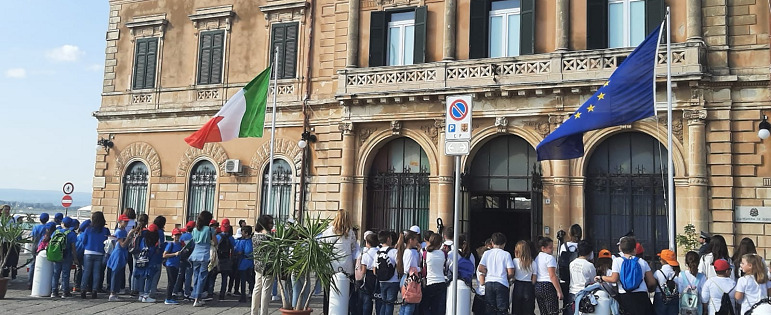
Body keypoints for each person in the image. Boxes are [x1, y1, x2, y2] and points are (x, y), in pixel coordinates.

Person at [595, 236, 656, 315]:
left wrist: (602, 278)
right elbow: (652, 282)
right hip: (641, 296)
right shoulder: (642, 262)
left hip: (625, 296)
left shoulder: (617, 261)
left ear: (621, 249)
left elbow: (614, 279)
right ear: (635, 249)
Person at [321, 209, 358, 314]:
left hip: (331, 267)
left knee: (328, 294)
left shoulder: (327, 231)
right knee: (347, 294)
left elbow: (323, 248)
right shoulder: (350, 233)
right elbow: (354, 248)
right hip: (347, 267)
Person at [478, 232, 515, 314]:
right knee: (502, 308)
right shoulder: (506, 254)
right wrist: (507, 277)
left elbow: (480, 268)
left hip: (489, 282)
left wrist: (488, 271)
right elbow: (511, 272)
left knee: (490, 308)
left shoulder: (487, 253)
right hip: (502, 283)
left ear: (492, 242)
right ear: (504, 244)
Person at [80, 212, 111, 299]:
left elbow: (84, 241)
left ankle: (83, 290)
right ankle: (94, 291)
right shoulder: (105, 230)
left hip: (88, 251)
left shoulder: (88, 229)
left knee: (86, 272)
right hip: (99, 252)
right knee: (96, 273)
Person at [106, 214, 133, 301]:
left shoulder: (123, 230)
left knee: (119, 273)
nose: (126, 223)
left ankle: (115, 292)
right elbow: (122, 244)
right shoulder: (120, 231)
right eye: (124, 221)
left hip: (121, 253)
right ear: (120, 222)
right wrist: (129, 236)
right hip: (119, 253)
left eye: (127, 221)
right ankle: (113, 293)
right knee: (116, 273)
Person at [252, 214, 275, 315]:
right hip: (268, 265)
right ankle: (263, 312)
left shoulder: (255, 235)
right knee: (266, 290)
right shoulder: (267, 237)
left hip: (258, 265)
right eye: (270, 223)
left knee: (257, 289)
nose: (272, 225)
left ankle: (254, 312)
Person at [534, 236, 563, 315]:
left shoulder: (537, 258)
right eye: (550, 247)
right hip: (548, 285)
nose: (552, 249)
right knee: (552, 311)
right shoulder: (550, 258)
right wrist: (559, 291)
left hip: (538, 285)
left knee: (543, 311)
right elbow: (552, 276)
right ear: (543, 248)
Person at [558, 224, 582, 315]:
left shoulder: (564, 246)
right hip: (579, 277)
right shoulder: (583, 245)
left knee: (566, 303)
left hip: (566, 277)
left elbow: (560, 260)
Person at [51, 217, 78, 298]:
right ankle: (65, 292)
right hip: (67, 256)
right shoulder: (71, 234)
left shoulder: (56, 232)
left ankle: (54, 291)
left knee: (55, 274)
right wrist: (75, 258)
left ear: (62, 223)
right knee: (65, 274)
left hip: (56, 255)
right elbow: (73, 247)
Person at [134, 224, 161, 303]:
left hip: (142, 259)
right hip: (151, 261)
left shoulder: (144, 239)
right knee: (149, 278)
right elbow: (157, 250)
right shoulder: (156, 241)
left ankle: (141, 294)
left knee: (141, 277)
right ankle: (146, 295)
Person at [396, 230, 421, 315]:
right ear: (411, 240)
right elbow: (408, 268)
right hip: (410, 279)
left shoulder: (406, 251)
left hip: (405, 278)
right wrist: (419, 269)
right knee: (410, 305)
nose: (417, 241)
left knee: (405, 304)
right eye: (416, 239)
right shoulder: (410, 252)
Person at [568, 240, 596, 314]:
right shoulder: (589, 265)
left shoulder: (572, 263)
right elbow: (593, 280)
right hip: (584, 294)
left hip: (572, 292)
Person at [376, 230, 399, 315]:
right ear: (389, 239)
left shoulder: (377, 252)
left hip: (382, 281)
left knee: (383, 303)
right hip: (393, 280)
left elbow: (375, 268)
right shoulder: (394, 252)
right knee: (390, 304)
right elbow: (399, 265)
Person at [510, 240, 536, 315]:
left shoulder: (515, 261)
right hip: (528, 286)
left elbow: (513, 274)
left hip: (518, 285)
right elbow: (534, 278)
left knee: (516, 309)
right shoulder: (533, 262)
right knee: (528, 310)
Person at [653, 249, 680, 315]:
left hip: (660, 298)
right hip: (674, 298)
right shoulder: (677, 273)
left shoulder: (657, 273)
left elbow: (652, 285)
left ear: (662, 260)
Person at [174, 220, 195, 300]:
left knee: (179, 275)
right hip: (190, 258)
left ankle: (175, 291)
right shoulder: (194, 237)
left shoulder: (182, 236)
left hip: (181, 257)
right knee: (188, 276)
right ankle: (187, 293)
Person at [215, 219, 236, 300]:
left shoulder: (217, 236)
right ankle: (222, 294)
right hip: (226, 259)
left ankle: (210, 292)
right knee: (224, 278)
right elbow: (234, 248)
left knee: (213, 276)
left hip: (218, 258)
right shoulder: (231, 238)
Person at [28, 212, 49, 289]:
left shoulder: (36, 227)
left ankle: (30, 282)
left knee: (33, 264)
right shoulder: (47, 227)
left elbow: (32, 237)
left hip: (35, 245)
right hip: (43, 246)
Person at [359, 232, 379, 315]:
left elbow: (363, 271)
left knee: (367, 299)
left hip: (369, 276)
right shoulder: (379, 251)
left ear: (367, 242)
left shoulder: (366, 254)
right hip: (378, 275)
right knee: (378, 298)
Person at [162, 228, 183, 305]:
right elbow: (164, 255)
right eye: (176, 235)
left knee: (173, 282)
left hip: (176, 265)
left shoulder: (180, 244)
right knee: (171, 282)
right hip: (170, 264)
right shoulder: (170, 244)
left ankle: (170, 297)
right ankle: (168, 298)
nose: (177, 236)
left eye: (178, 235)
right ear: (172, 236)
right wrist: (175, 254)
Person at [235, 225, 254, 303]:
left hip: (243, 262)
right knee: (250, 279)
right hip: (251, 262)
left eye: (242, 232)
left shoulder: (242, 242)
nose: (241, 233)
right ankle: (252, 293)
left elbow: (239, 251)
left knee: (243, 280)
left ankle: (243, 296)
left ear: (246, 233)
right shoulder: (252, 241)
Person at [73, 220, 90, 293]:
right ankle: (82, 285)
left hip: (77, 253)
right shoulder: (86, 235)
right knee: (83, 270)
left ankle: (76, 285)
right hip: (83, 253)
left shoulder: (79, 235)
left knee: (78, 269)